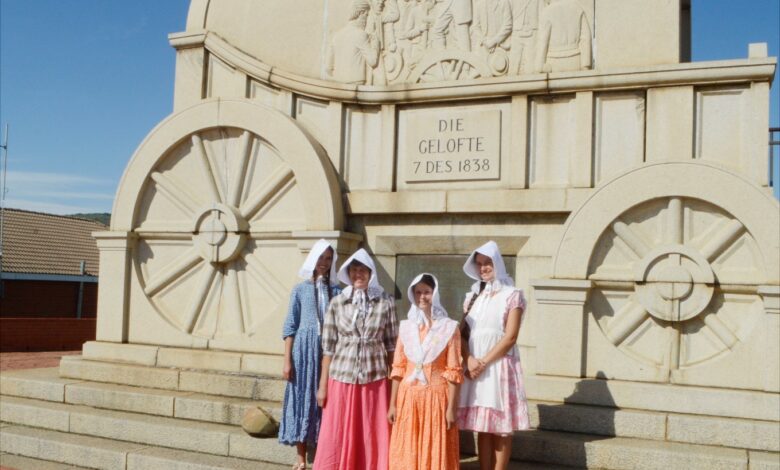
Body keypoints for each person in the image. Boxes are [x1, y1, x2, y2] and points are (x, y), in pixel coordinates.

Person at [314, 249, 398, 470]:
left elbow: (392, 345)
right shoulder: (338, 303)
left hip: (375, 378)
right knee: (339, 430)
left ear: (371, 272)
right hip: (342, 376)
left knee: (371, 429)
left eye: (362, 270)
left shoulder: (385, 302)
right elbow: (329, 347)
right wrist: (323, 386)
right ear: (347, 272)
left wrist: (394, 384)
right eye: (354, 270)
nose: (358, 274)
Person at [458, 240, 530, 470]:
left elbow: (510, 336)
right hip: (475, 366)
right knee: (484, 427)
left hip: (498, 366)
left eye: (487, 263)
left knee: (501, 428)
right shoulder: (472, 297)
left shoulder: (512, 294)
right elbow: (463, 334)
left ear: (496, 262)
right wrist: (469, 360)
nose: (483, 268)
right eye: (479, 264)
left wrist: (484, 362)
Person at [388, 273, 462, 470]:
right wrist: (393, 404)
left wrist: (451, 408)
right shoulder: (406, 327)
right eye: (418, 292)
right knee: (408, 446)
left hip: (436, 399)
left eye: (427, 292)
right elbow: (398, 369)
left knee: (434, 447)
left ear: (435, 294)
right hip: (408, 398)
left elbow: (453, 371)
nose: (422, 296)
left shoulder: (449, 327)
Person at [279, 240, 340, 470]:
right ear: (313, 259)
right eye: (320, 258)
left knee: (324, 400)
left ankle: (325, 453)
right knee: (301, 399)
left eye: (328, 259)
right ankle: (301, 456)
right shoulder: (300, 289)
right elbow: (290, 326)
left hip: (328, 353)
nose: (323, 263)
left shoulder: (337, 292)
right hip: (303, 353)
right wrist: (287, 360)